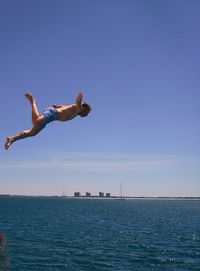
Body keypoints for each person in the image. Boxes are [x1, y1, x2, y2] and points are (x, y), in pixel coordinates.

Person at [4, 91, 91, 150]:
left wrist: (57, 105)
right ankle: (33, 102)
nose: (86, 115)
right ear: (83, 109)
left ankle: (12, 139)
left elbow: (64, 106)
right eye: (87, 112)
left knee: (32, 133)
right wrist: (79, 98)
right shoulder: (78, 109)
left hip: (52, 116)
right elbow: (78, 103)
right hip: (53, 113)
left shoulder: (74, 109)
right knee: (36, 121)